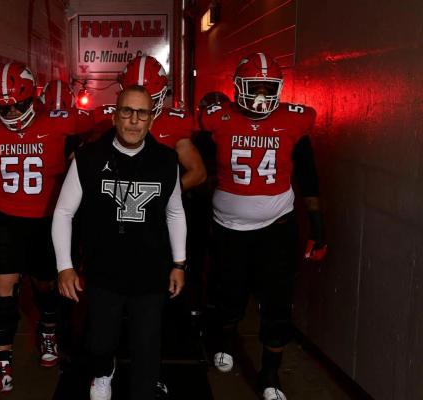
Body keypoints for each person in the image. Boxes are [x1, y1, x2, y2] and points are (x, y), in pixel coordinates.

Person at [0, 62, 92, 396]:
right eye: (4, 106)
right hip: (3, 219)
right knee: (2, 292)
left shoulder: (61, 126)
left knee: (46, 286)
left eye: (19, 103)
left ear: (34, 97)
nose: (12, 111)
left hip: (47, 220)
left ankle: (48, 329)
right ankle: (2, 368)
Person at [200, 52, 327, 400]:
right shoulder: (218, 119)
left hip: (277, 227)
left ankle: (270, 375)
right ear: (237, 87)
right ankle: (225, 339)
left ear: (279, 89)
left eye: (267, 88)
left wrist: (318, 227)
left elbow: (308, 177)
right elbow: (199, 169)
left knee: (277, 302)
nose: (259, 96)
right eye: (253, 88)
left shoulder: (294, 121)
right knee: (228, 294)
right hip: (228, 227)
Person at [52, 85, 187, 400]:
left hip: (150, 271)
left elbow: (176, 213)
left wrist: (179, 263)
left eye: (142, 113)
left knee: (147, 345)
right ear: (114, 116)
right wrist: (65, 266)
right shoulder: (88, 157)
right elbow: (62, 212)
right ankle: (103, 372)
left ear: (151, 120)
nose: (134, 121)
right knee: (100, 342)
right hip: (103, 270)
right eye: (127, 111)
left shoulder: (166, 160)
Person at [94, 55, 206, 191]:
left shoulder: (172, 124)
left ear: (162, 95)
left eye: (151, 100)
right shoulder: (110, 119)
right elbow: (86, 162)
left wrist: (164, 193)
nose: (142, 105)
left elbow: (198, 173)